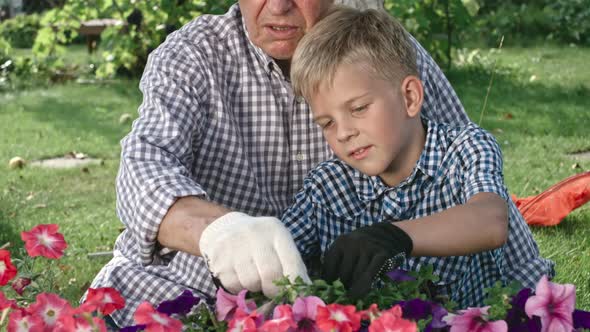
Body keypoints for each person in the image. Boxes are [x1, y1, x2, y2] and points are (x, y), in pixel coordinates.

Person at [88, 0, 471, 327]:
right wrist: (215, 230)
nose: (278, 6)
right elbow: (145, 162)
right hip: (188, 290)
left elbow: (463, 174)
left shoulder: (382, 50)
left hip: (346, 306)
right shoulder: (193, 55)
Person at [282, 6, 555, 307]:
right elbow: (279, 252)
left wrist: (394, 236)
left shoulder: (465, 149)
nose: (344, 132)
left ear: (410, 97)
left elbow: (490, 220)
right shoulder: (326, 188)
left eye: (358, 109)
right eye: (327, 123)